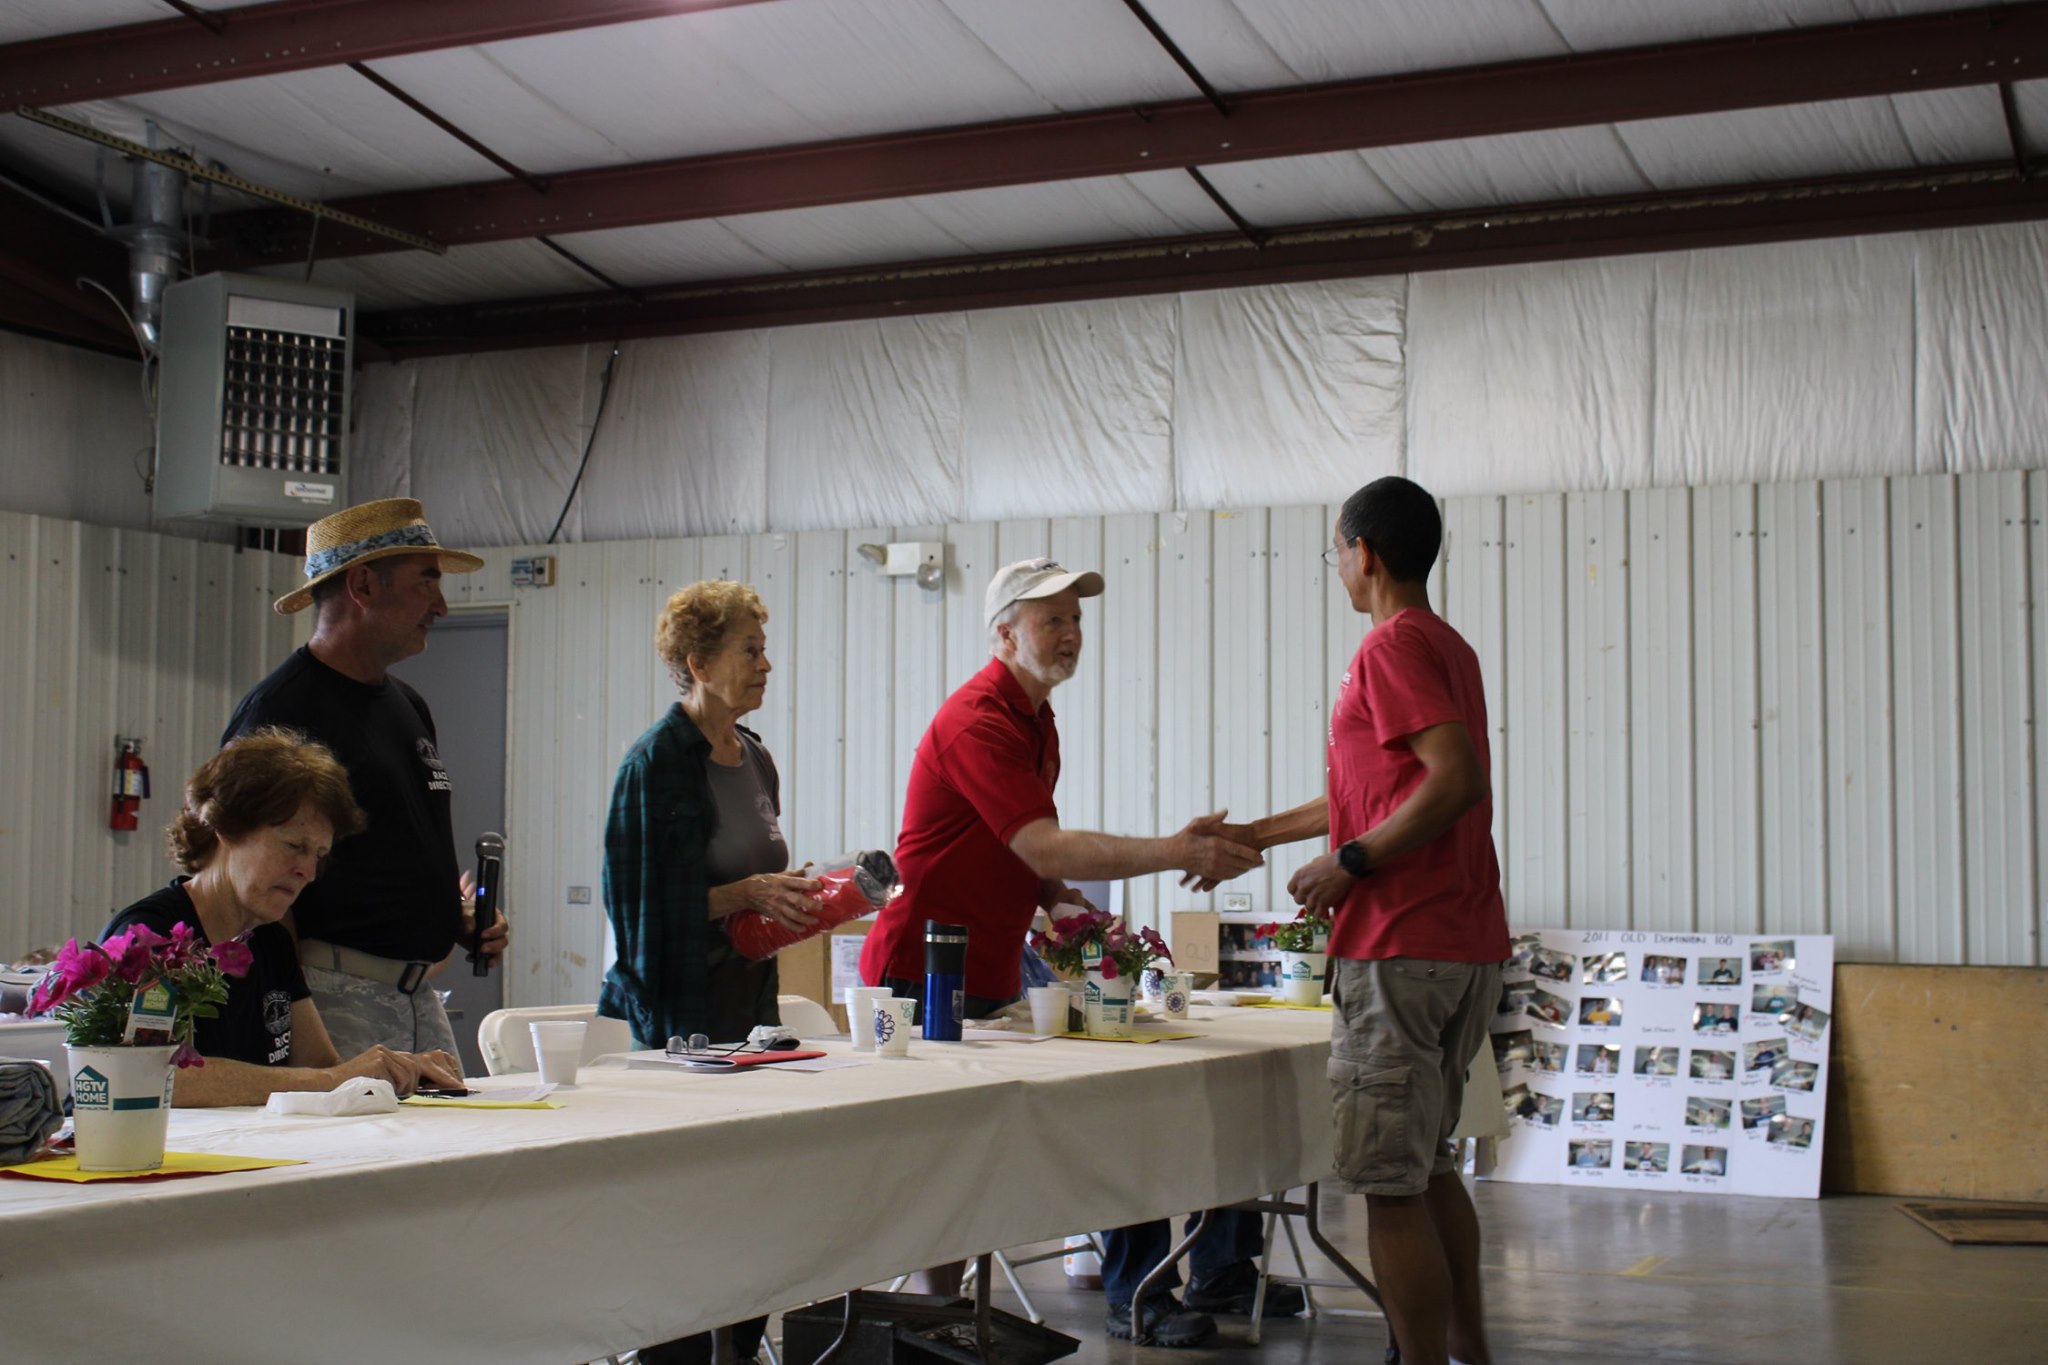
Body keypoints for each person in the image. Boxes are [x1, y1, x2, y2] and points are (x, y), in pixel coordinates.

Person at [857, 557, 1268, 1348]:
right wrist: (1173, 847)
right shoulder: (979, 716)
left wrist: (1054, 901)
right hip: (921, 974)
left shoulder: (1035, 718)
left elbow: (1014, 849)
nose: (1073, 633)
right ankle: (925, 1328)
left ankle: (969, 1320)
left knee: (1086, 1107)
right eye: (1054, 620)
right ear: (1005, 632)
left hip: (988, 966)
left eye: (1077, 619)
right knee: (945, 1176)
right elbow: (1039, 839)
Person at [1209, 477, 1510, 1365]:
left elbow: (1454, 781)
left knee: (1386, 1185)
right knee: (1432, 1165)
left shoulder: (1390, 648)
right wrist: (1256, 834)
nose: (1336, 567)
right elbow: (1379, 787)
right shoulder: (1445, 646)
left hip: (1401, 943)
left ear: (1362, 552)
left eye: (1336, 551)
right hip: (1462, 940)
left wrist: (1351, 863)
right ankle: (1469, 1351)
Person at [598, 580, 820, 1365]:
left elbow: (759, 872)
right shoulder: (655, 764)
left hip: (750, 1004)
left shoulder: (755, 754)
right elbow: (637, 910)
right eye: (749, 650)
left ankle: (738, 1345)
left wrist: (798, 894)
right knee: (689, 1212)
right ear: (698, 661)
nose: (766, 664)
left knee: (755, 1201)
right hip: (680, 1012)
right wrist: (746, 892)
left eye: (764, 647)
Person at [223, 497, 506, 1059]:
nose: (442, 606)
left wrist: (456, 916)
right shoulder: (283, 712)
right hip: (329, 999)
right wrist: (295, 1019)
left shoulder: (408, 705)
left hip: (418, 995)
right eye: (426, 582)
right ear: (363, 585)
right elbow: (250, 886)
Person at [103, 731, 462, 1105]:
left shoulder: (269, 939)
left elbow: (322, 1066)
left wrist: (397, 1070)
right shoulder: (149, 935)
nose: (307, 871)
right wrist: (335, 1078)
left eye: (319, 855)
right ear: (226, 826)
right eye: (294, 846)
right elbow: (152, 1075)